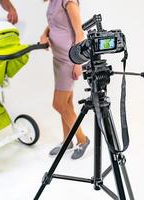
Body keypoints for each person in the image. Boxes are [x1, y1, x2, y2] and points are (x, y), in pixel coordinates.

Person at [40, 0, 90, 159]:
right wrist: (44, 34)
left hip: (69, 59)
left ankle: (82, 140)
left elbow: (80, 33)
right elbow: (54, 23)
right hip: (58, 58)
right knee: (66, 104)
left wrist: (78, 63)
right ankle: (67, 140)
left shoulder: (69, 1)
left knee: (59, 103)